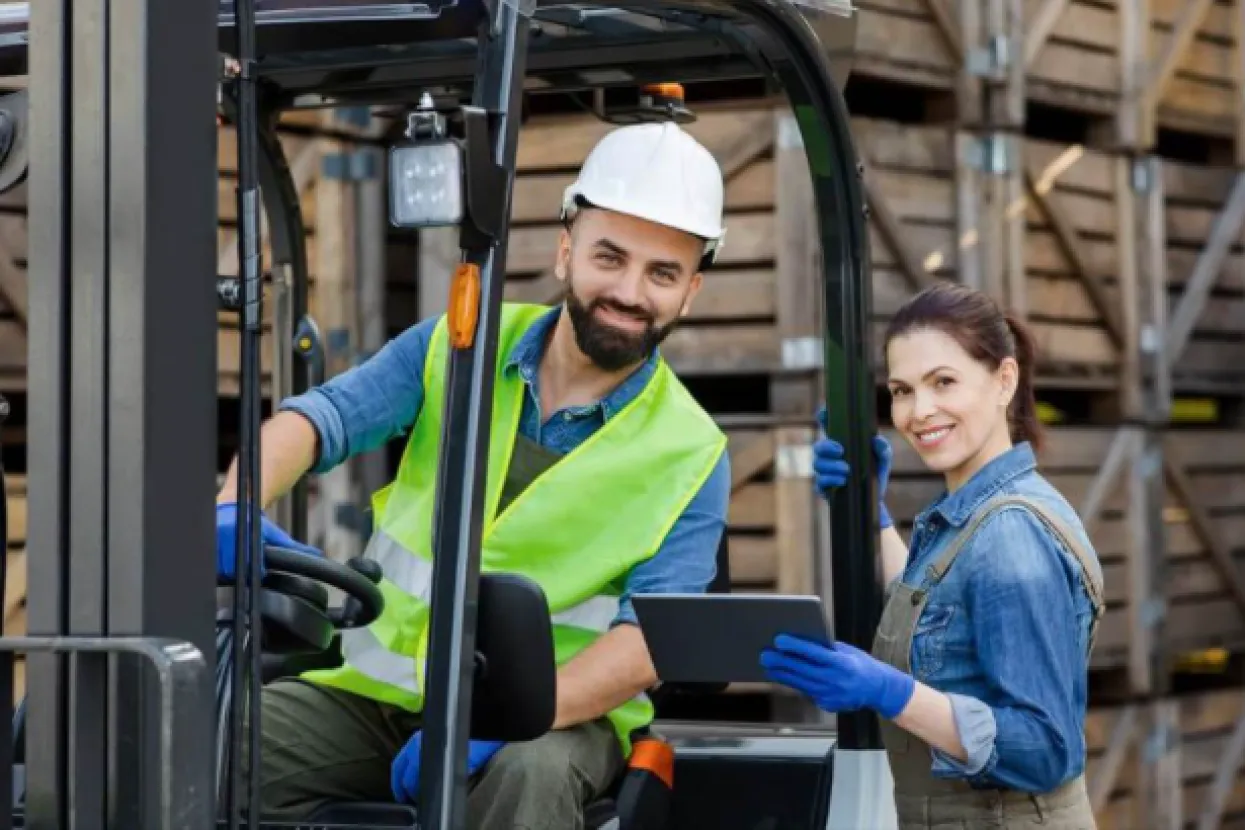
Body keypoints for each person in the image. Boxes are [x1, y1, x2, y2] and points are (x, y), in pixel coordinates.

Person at [214, 120, 732, 827]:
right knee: (203, 735)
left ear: (691, 291)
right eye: (609, 257)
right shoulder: (452, 346)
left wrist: (506, 720)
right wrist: (233, 504)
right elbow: (318, 421)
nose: (630, 290)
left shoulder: (692, 451)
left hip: (553, 716)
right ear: (564, 251)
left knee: (529, 775)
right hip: (377, 695)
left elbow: (646, 643)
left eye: (661, 274)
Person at [766, 282, 1105, 828]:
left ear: (1004, 380)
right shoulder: (971, 516)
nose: (919, 411)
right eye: (901, 391)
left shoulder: (1009, 534)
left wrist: (892, 691)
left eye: (943, 382)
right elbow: (945, 618)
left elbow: (1044, 747)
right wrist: (869, 518)